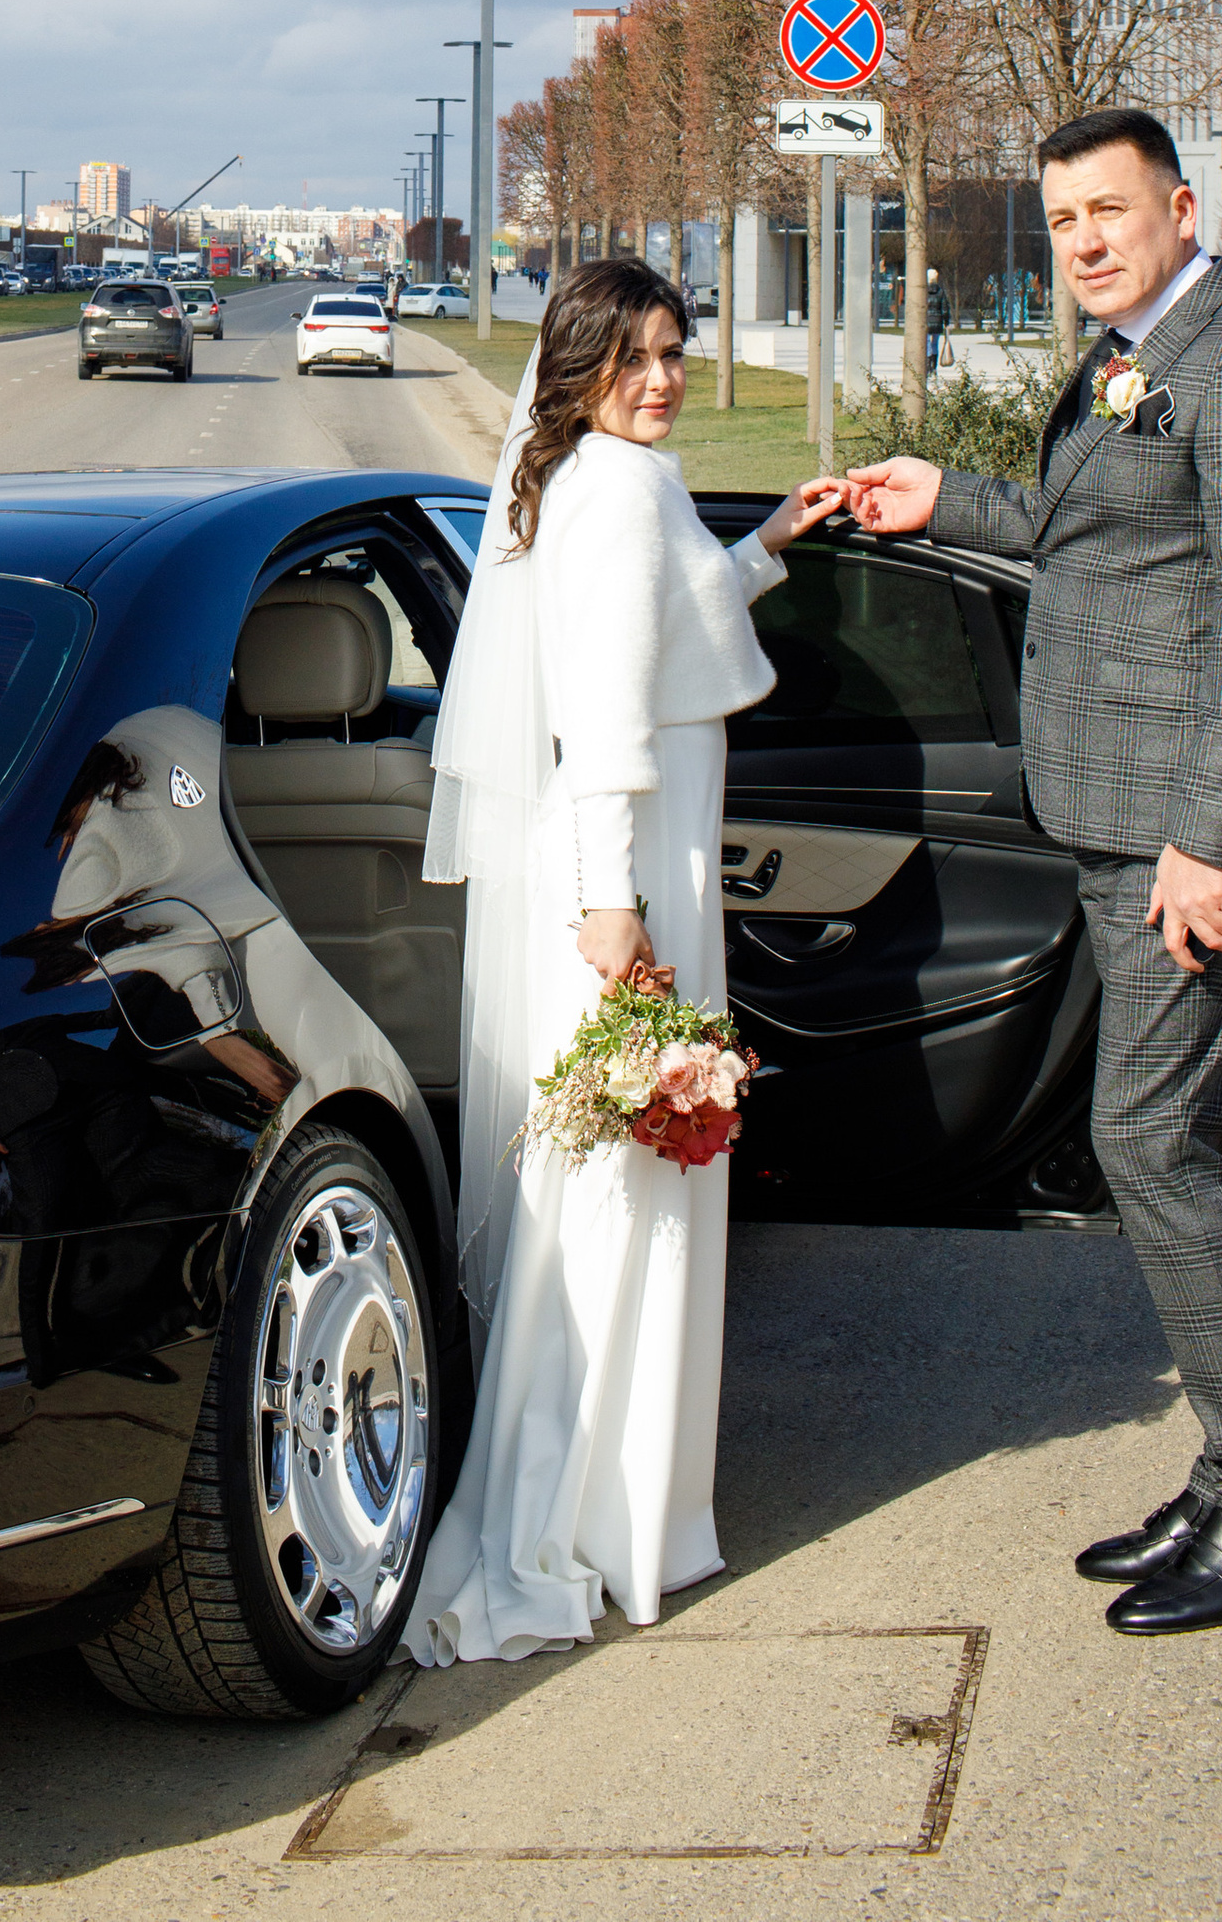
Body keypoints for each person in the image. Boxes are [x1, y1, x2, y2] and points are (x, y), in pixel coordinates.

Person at [848, 107, 1222, 1637]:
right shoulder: (1129, 352)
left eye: (1110, 211)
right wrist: (958, 502)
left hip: (1190, 826)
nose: (1082, 240)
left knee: (1147, 1142)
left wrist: (1208, 839)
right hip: (1113, 808)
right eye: (1064, 219)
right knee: (1216, 1131)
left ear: (1182, 208)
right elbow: (1104, 541)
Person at [404, 259, 843, 1664]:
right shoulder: (614, 492)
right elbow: (602, 724)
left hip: (638, 873)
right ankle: (586, 1522)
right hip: (627, 879)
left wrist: (773, 537)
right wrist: (611, 913)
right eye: (635, 354)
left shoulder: (606, 484)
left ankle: (621, 1509)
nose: (662, 375)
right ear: (582, 362)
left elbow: (673, 622)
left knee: (623, 1184)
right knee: (615, 1198)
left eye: (675, 349)